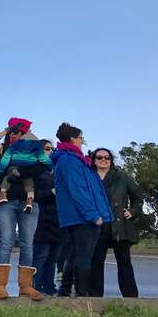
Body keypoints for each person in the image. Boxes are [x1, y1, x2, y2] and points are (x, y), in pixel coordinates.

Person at [0, 118, 48, 300]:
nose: (14, 135)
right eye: (12, 132)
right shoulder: (4, 150)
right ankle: (0, 285)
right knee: (6, 241)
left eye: (18, 132)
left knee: (28, 243)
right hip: (7, 201)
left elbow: (41, 167)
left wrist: (19, 172)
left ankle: (26, 286)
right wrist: (6, 130)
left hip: (30, 201)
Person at [51, 122, 112, 297]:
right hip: (82, 217)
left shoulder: (75, 159)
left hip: (77, 216)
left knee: (73, 255)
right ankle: (81, 294)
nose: (82, 141)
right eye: (80, 138)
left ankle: (65, 291)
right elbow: (78, 189)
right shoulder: (70, 160)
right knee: (84, 256)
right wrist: (93, 215)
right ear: (72, 139)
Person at [89, 148, 141, 298]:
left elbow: (138, 196)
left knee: (124, 262)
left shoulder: (122, 177)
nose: (103, 160)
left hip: (119, 225)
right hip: (97, 224)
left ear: (111, 160)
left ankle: (131, 298)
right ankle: (95, 297)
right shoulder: (89, 177)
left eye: (107, 157)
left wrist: (133, 211)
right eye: (99, 157)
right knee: (96, 262)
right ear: (94, 160)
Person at [0, 119, 52, 212]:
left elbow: (5, 159)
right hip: (24, 171)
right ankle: (29, 201)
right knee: (29, 183)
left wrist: (2, 168)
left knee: (8, 178)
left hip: (17, 169)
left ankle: (3, 194)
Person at [31, 141, 61, 296]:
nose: (50, 151)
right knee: (41, 255)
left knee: (53, 257)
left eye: (52, 149)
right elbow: (31, 194)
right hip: (41, 218)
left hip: (57, 218)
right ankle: (36, 286)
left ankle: (49, 286)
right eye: (47, 149)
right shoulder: (34, 170)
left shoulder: (54, 170)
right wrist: (51, 192)